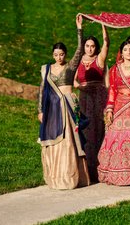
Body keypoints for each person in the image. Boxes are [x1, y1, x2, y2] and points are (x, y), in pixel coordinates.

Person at [37, 15, 90, 189]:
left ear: (65, 55)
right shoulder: (46, 69)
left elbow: (80, 50)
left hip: (67, 107)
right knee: (55, 140)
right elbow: (42, 89)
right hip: (52, 109)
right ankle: (55, 176)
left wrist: (79, 30)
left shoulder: (70, 66)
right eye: (55, 54)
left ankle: (72, 176)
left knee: (70, 140)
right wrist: (40, 110)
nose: (58, 57)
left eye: (61, 54)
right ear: (52, 55)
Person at [97, 40, 130, 186]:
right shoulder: (115, 69)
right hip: (119, 108)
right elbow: (113, 90)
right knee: (116, 138)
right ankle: (115, 172)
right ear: (121, 52)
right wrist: (109, 109)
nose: (129, 52)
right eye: (126, 49)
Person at [73, 17, 109, 183]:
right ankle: (87, 170)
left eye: (92, 46)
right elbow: (72, 81)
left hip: (98, 98)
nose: (89, 48)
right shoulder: (79, 60)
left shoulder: (99, 59)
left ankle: (101, 168)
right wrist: (81, 87)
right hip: (84, 98)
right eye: (87, 46)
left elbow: (107, 43)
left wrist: (104, 24)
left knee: (98, 129)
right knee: (86, 131)